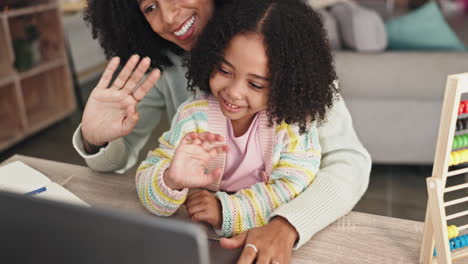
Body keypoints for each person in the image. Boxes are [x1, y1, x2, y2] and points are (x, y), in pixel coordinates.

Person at [73, 0, 371, 263]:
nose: (168, 16)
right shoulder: (166, 71)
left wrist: (287, 224)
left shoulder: (287, 53)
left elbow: (349, 161)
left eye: (256, 84)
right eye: (150, 6)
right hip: (197, 234)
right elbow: (127, 167)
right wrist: (94, 136)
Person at [136, 0, 338, 240]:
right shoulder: (195, 115)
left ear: (286, 85)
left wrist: (225, 210)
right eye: (224, 71)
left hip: (267, 239)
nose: (233, 92)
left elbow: (291, 190)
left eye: (255, 84)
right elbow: (149, 181)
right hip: (202, 237)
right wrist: (171, 179)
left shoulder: (293, 128)